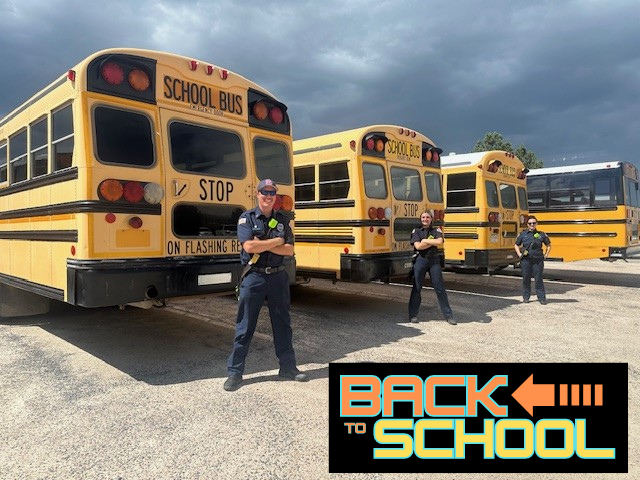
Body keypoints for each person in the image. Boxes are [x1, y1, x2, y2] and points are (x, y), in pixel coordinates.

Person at [224, 179, 308, 391]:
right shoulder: (247, 218)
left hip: (278, 277)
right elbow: (250, 246)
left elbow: (289, 250)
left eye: (272, 193)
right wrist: (276, 242)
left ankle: (288, 368)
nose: (268, 196)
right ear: (257, 194)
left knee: (283, 324)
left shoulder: (282, 219)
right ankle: (235, 373)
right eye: (265, 192)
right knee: (245, 325)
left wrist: (266, 246)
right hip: (254, 277)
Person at [408, 210, 455, 325]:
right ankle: (413, 315)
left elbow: (439, 241)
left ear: (431, 219)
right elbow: (418, 246)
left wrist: (425, 240)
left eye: (427, 217)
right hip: (420, 261)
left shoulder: (436, 230)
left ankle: (449, 316)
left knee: (440, 288)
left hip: (434, 261)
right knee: (417, 288)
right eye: (423, 217)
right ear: (421, 219)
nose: (425, 219)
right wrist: (431, 242)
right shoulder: (417, 231)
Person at [515, 215, 552, 305]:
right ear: (527, 224)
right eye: (530, 223)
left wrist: (546, 254)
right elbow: (516, 244)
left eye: (534, 223)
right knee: (526, 278)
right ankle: (526, 297)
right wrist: (519, 254)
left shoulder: (541, 234)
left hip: (538, 260)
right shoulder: (523, 234)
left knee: (538, 279)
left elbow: (548, 245)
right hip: (526, 260)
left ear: (536, 224)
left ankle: (541, 298)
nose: (532, 224)